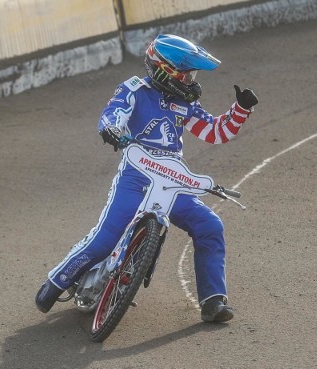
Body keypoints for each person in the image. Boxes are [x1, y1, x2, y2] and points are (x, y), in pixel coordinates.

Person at [35, 34, 258, 323]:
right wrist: (111, 129)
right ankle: (55, 283)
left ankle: (213, 300)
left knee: (210, 225)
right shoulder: (135, 89)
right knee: (105, 239)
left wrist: (240, 110)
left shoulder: (185, 104)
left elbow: (216, 132)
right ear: (166, 72)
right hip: (136, 177)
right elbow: (113, 113)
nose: (191, 81)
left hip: (173, 181)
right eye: (187, 75)